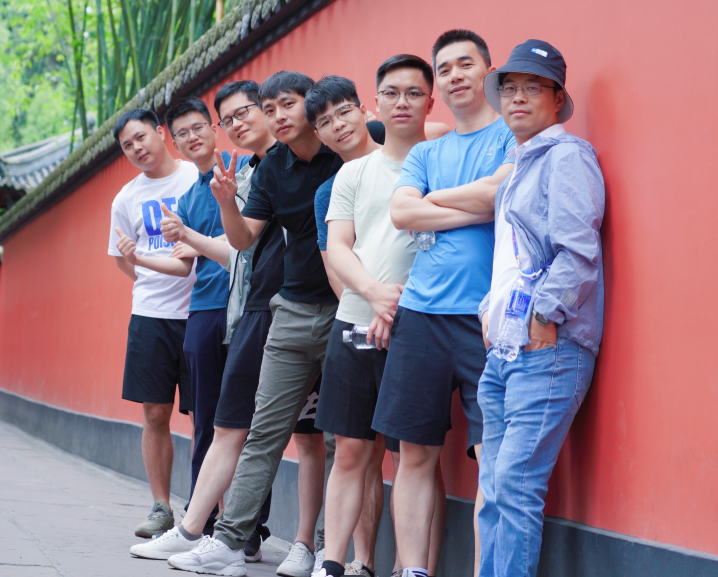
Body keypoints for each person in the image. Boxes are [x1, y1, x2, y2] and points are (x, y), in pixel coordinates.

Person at [372, 30, 517, 577]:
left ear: (488, 72)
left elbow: (500, 194)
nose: (455, 75)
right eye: (445, 69)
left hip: (489, 319)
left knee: (491, 459)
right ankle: (414, 570)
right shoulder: (427, 152)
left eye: (465, 64)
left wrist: (433, 200)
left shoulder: (511, 135)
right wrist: (476, 206)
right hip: (421, 318)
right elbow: (402, 214)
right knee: (413, 454)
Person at [127, 81, 278, 563]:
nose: (192, 138)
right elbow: (184, 263)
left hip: (247, 307)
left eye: (199, 128)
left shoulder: (246, 169)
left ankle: (248, 529)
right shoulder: (190, 196)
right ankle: (203, 521)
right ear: (174, 141)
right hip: (203, 311)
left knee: (246, 422)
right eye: (183, 133)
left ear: (215, 131)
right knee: (208, 420)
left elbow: (240, 248)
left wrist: (190, 237)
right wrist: (139, 259)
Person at [307, 58, 442, 577]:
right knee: (349, 452)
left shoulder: (442, 160)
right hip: (354, 323)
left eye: (413, 93)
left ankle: (413, 569)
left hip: (420, 326)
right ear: (376, 103)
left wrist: (400, 302)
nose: (401, 102)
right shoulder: (352, 174)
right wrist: (374, 293)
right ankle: (333, 564)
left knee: (415, 455)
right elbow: (339, 247)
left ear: (428, 100)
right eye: (391, 93)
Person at [476, 40, 604, 577]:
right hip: (505, 348)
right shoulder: (519, 166)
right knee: (493, 487)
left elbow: (578, 250)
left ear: (557, 99)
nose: (518, 98)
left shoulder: (567, 156)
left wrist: (546, 315)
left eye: (533, 87)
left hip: (548, 346)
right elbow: (512, 256)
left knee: (514, 483)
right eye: (509, 88)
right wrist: (490, 313)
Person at [108, 108, 197, 538]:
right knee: (155, 413)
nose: (136, 148)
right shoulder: (125, 198)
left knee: (207, 415)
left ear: (161, 133)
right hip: (150, 316)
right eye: (127, 145)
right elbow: (123, 259)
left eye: (141, 137)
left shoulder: (195, 176)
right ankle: (161, 507)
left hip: (202, 313)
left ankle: (207, 510)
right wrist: (150, 279)